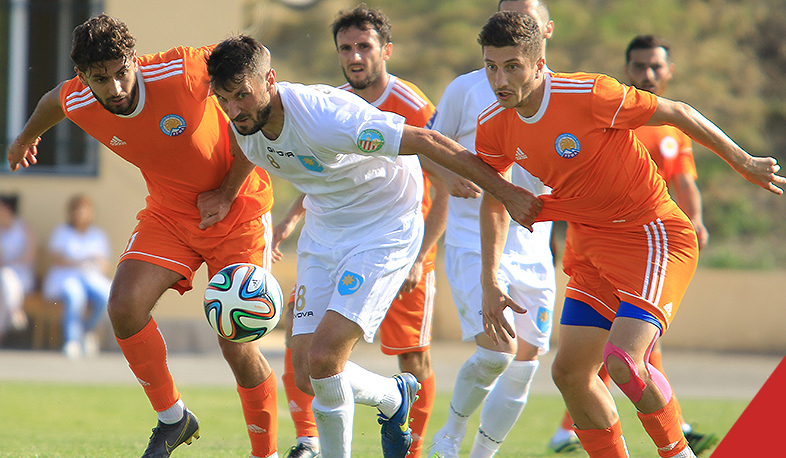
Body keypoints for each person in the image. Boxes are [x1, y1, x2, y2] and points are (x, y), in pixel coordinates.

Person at [206, 34, 540, 458]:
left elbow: (425, 140)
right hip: (325, 230)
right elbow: (244, 150)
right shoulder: (244, 125)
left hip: (385, 226)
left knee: (327, 357)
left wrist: (505, 192)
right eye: (224, 99)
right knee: (308, 371)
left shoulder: (327, 118)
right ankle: (391, 397)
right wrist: (225, 194)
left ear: (269, 80)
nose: (234, 110)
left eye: (242, 95)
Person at [475, 11, 783, 458]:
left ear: (539, 64)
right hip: (591, 247)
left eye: (512, 66)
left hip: (653, 235)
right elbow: (494, 197)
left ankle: (679, 453)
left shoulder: (589, 93)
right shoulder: (494, 124)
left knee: (623, 362)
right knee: (570, 374)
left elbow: (678, 112)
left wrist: (743, 163)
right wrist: (490, 280)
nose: (500, 79)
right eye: (490, 66)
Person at [6, 15, 279, 458]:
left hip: (239, 209)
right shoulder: (79, 97)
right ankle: (174, 418)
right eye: (101, 79)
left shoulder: (185, 70)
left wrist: (227, 192)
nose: (115, 87)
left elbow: (256, 66)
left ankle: (265, 453)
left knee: (236, 342)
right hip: (170, 216)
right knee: (123, 307)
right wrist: (23, 139)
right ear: (83, 78)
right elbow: (53, 102)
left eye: (121, 71)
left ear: (135, 59)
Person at [273, 5, 449, 458]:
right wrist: (290, 221)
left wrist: (421, 255)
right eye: (345, 48)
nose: (355, 56)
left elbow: (446, 180)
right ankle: (315, 438)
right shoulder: (332, 102)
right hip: (338, 241)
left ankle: (411, 450)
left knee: (411, 356)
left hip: (399, 243)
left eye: (364, 47)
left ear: (385, 50)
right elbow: (321, 175)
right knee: (310, 355)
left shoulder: (413, 105)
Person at [426, 2, 557, 458]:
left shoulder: (565, 95)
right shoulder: (467, 90)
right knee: (496, 353)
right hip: (472, 239)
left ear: (545, 33)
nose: (500, 77)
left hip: (536, 247)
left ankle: (483, 454)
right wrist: (447, 176)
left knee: (525, 363)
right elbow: (428, 148)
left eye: (529, 16)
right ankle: (449, 437)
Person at [42, 194, 112, 359]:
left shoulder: (97, 234)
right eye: (77, 210)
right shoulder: (62, 231)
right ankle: (72, 340)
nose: (81, 214)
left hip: (91, 277)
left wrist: (94, 264)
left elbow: (105, 264)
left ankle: (87, 331)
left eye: (85, 210)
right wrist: (82, 261)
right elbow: (57, 259)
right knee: (75, 297)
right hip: (66, 277)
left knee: (107, 297)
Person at [0, 194, 33, 342]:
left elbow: (29, 256)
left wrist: (10, 263)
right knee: (5, 278)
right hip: (4, 274)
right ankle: (15, 312)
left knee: (6, 278)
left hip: (23, 274)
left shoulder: (24, 228)